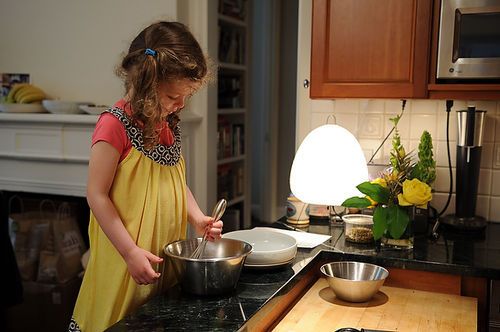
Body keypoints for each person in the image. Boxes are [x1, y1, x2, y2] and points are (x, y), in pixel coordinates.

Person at [69, 21, 222, 332]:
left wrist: (196, 217)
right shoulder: (114, 125)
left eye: (186, 96)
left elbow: (171, 181)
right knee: (117, 319)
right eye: (172, 96)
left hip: (160, 255)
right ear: (144, 83)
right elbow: (96, 194)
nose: (180, 104)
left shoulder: (167, 122)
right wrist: (129, 251)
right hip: (126, 256)